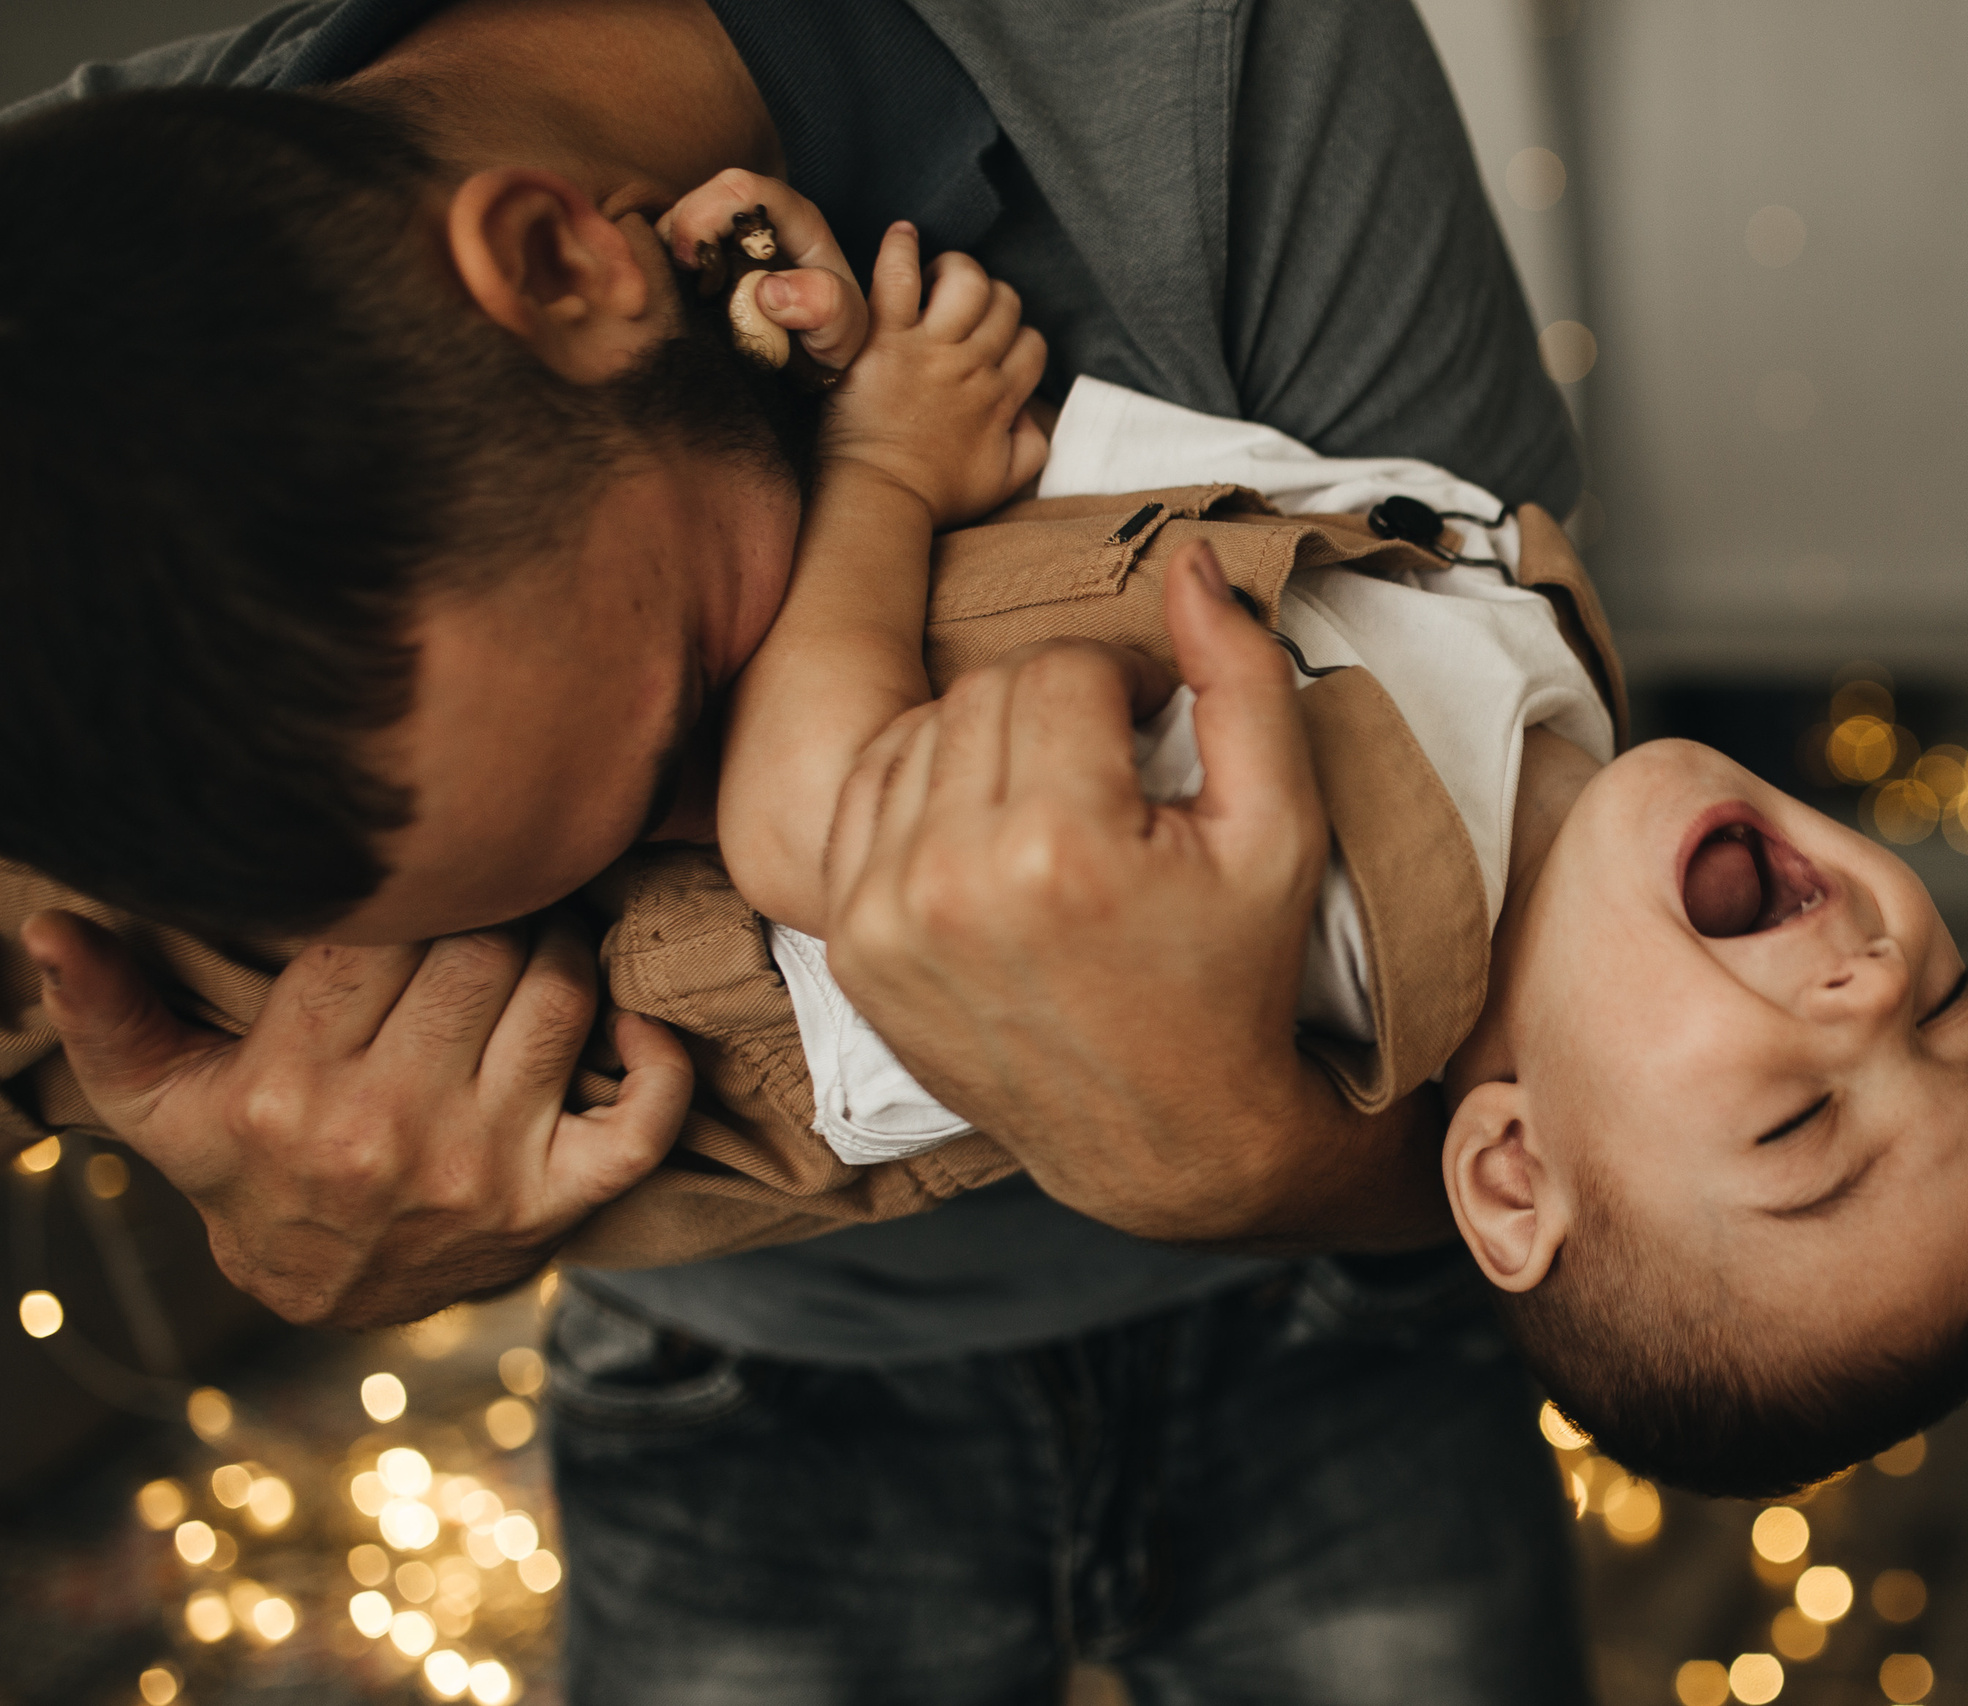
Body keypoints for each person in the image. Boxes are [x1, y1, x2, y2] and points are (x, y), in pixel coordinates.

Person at [0, 2, 1597, 1699]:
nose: (744, 842)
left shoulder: (1203, 60)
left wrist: (1249, 1164)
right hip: (736, 1390)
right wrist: (291, 1217)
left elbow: (1550, 855)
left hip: (1353, 1324)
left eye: (693, 686)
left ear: (570, 263)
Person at [678, 172, 1968, 1502]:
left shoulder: (1304, 938)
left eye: (1802, 1117)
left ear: (1511, 1172)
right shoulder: (1555, 666)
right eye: (1953, 1007)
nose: (1875, 987)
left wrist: (881, 465)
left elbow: (810, 827)